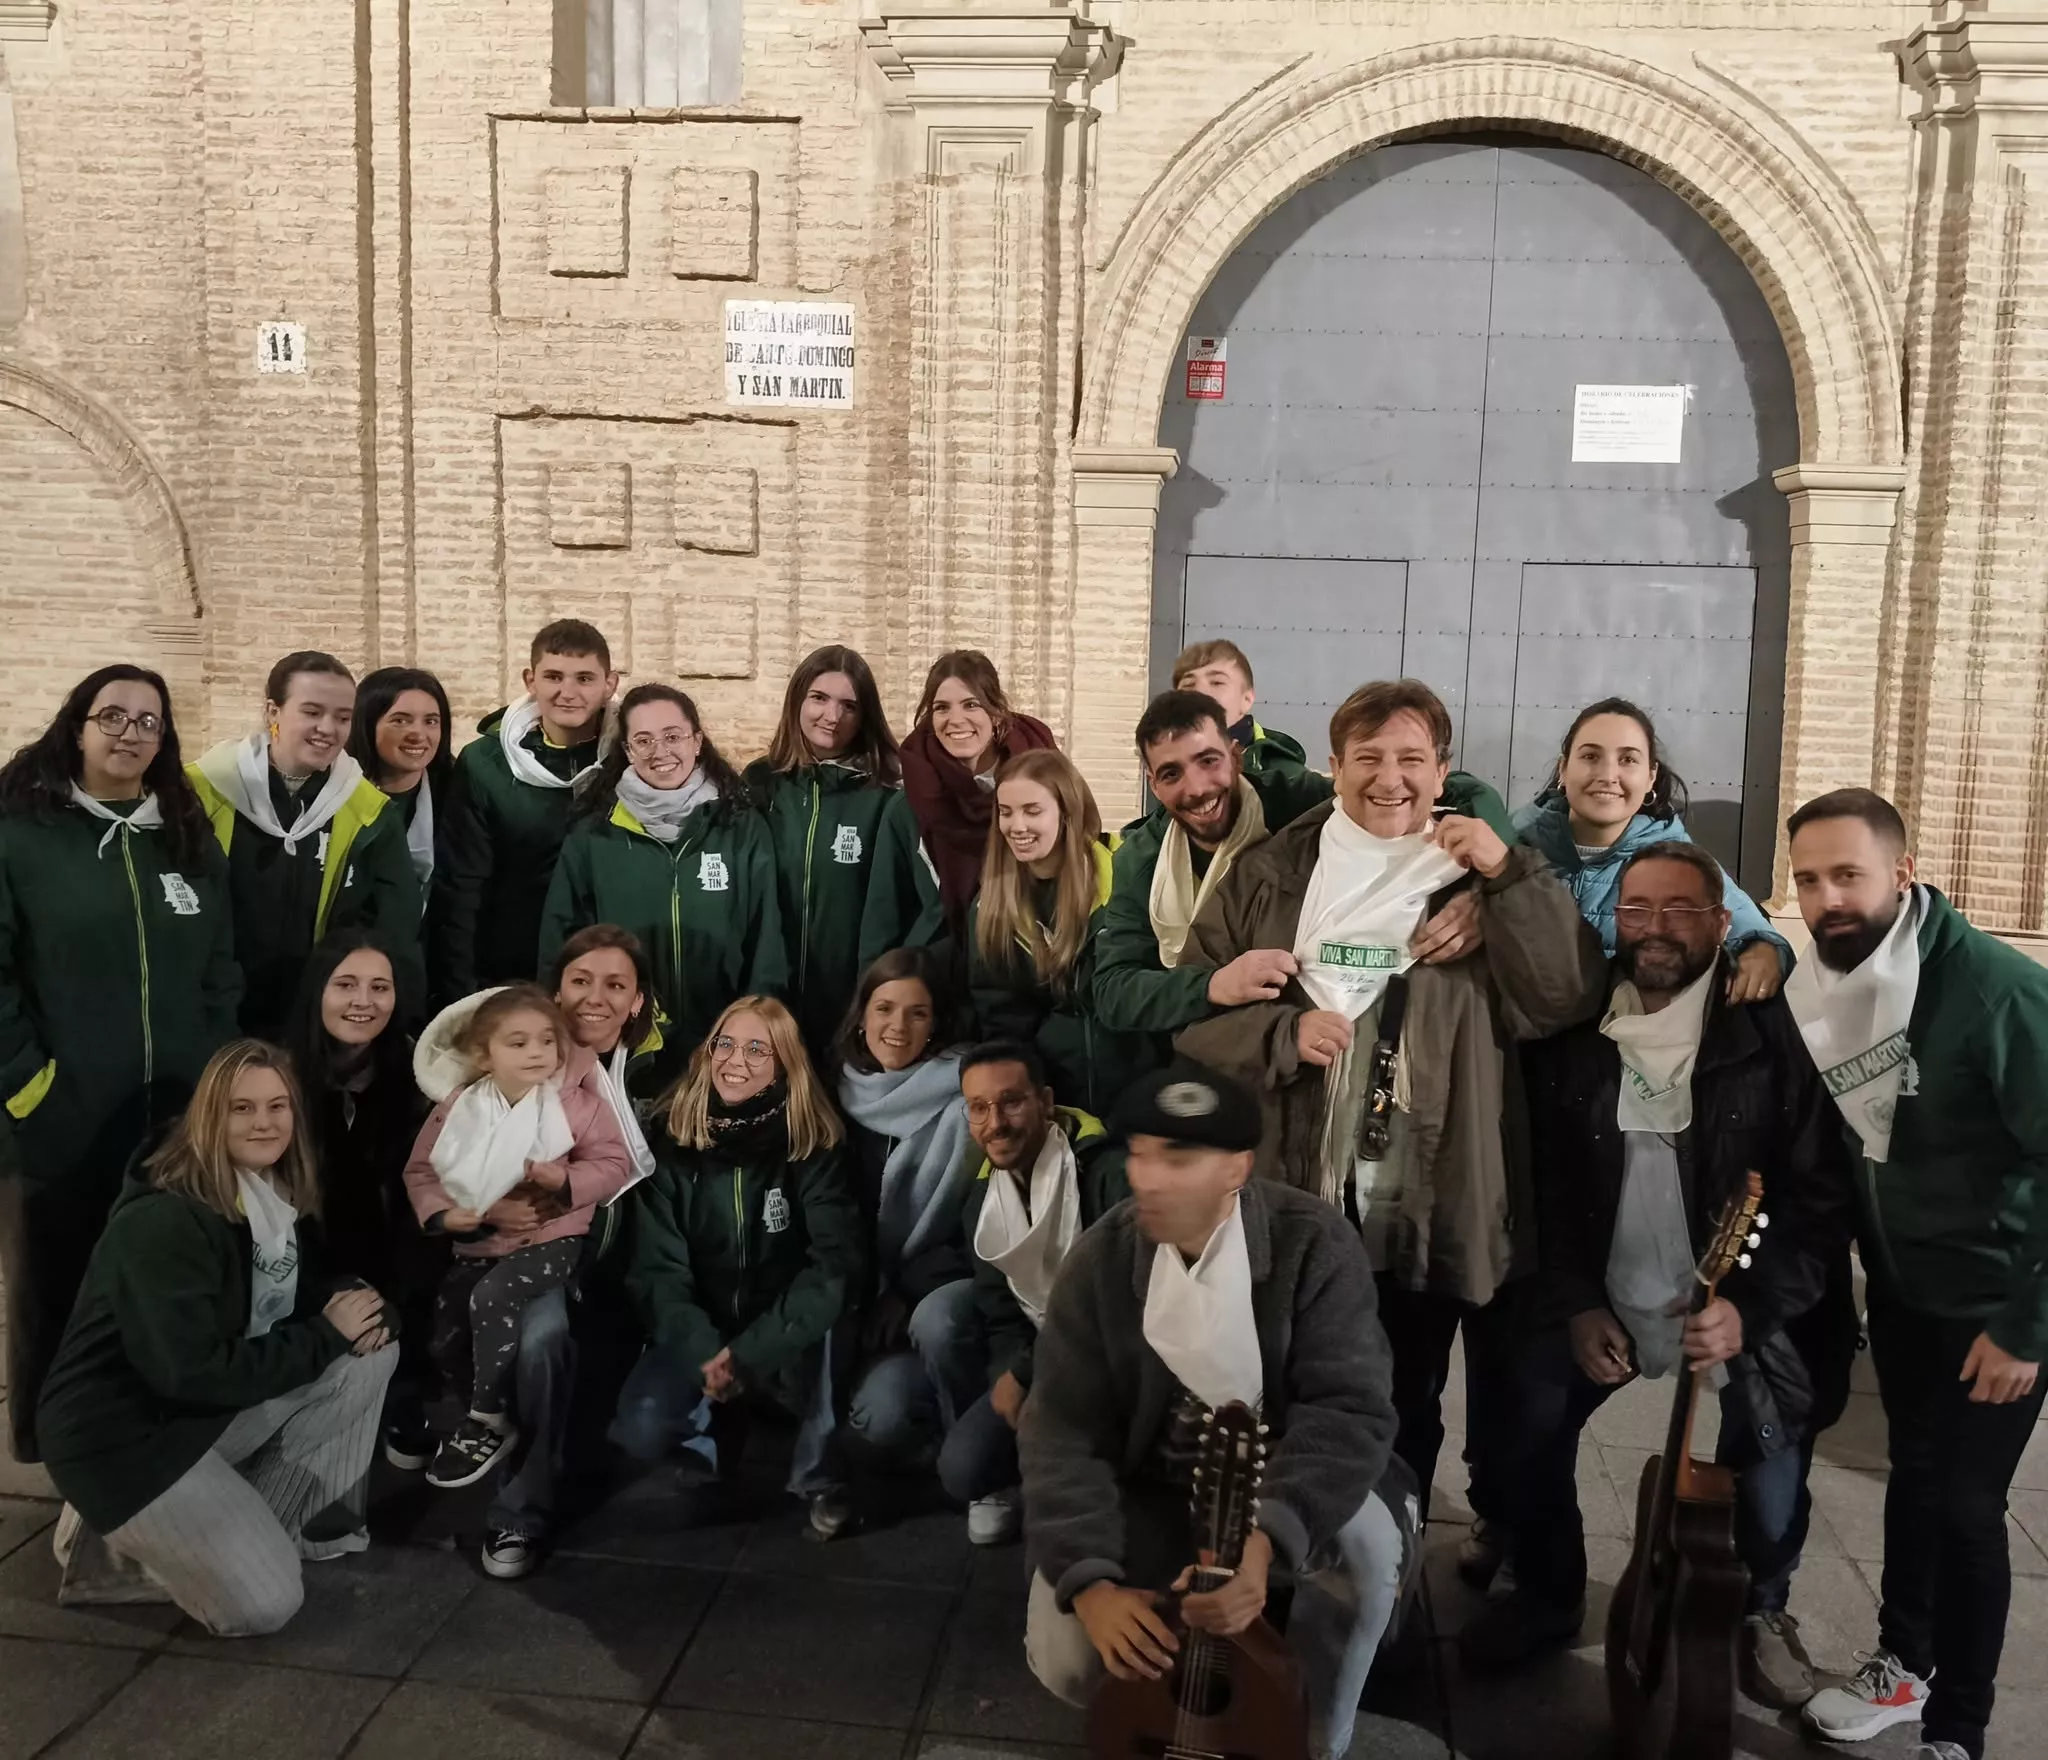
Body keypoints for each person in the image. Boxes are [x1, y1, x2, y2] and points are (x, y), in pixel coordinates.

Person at [1176, 678, 1606, 1523]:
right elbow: (1195, 1018)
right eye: (1367, 757)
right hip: (1298, 1186)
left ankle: (1389, 1561)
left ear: (1443, 771)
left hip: (1425, 1195)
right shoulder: (1270, 873)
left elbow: (1564, 997)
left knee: (1408, 1397)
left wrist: (1504, 881)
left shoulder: (1478, 878)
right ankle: (1285, 1550)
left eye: (1412, 758)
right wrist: (1280, 1035)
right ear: (1334, 767)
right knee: (1289, 1385)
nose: (1390, 778)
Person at [1461, 841, 1857, 1708]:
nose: (1657, 928)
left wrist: (1750, 1310)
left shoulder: (1773, 1032)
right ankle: (1548, 1591)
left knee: (1766, 1476)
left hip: (1737, 1306)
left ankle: (1759, 1611)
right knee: (1519, 1432)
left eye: (1681, 910)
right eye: (1638, 909)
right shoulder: (1575, 1033)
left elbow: (1820, 1201)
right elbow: (1546, 1185)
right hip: (1608, 1291)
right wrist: (1576, 1305)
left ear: (1721, 924)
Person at [1019, 1059, 1412, 1760]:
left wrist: (1269, 1539)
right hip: (1155, 1489)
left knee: (1365, 1557)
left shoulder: (1313, 1244)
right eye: (1141, 1153)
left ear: (1237, 1168)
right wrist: (1089, 1583)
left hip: (1285, 1485)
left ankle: (1312, 1735)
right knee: (1067, 1654)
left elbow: (1348, 1411)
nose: (1148, 1178)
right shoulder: (1101, 1261)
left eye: (1178, 1159)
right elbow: (1061, 1431)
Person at [1784, 789, 2048, 1760]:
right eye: (1807, 880)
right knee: (1915, 1476)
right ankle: (1903, 1661)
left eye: (1847, 874)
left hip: (1994, 1303)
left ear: (1901, 873)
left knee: (1967, 1509)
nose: (1826, 898)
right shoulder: (1841, 975)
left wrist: (2025, 1325)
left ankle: (1957, 1730)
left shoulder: (1996, 991)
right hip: (1901, 1290)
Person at [36, 1041, 397, 1636]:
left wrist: (369, 1312)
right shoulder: (164, 1221)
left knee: (368, 1355)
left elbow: (305, 1297)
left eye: (278, 1106)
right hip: (123, 1438)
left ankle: (230, 1538)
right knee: (265, 1606)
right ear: (208, 1116)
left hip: (192, 1409)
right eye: (242, 1108)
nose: (264, 1123)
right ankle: (108, 1552)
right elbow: (191, 1373)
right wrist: (327, 1333)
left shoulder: (263, 1195)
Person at [0, 664, 241, 1462]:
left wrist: (209, 1067)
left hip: (172, 1109)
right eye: (112, 716)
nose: (130, 733)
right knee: (54, 1279)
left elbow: (220, 966)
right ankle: (45, 1438)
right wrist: (28, 1082)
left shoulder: (184, 834)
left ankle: (136, 1425)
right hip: (61, 1108)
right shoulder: (22, 835)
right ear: (77, 726)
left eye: (148, 721)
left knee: (154, 1275)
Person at [1097, 687, 1488, 1057]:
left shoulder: (1294, 801)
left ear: (1236, 756)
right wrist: (1212, 985)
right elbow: (1113, 990)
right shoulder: (1141, 859)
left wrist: (1481, 892)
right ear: (1153, 784)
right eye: (1171, 774)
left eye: (1208, 761)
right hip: (1199, 1049)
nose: (1197, 787)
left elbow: (1430, 795)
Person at [611, 997, 866, 1541]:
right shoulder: (670, 1145)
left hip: (783, 1333)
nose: (735, 1060)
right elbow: (658, 1272)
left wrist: (752, 1352)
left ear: (785, 1065)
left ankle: (819, 1477)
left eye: (757, 1049)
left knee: (835, 1317)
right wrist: (707, 1354)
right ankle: (714, 1445)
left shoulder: (812, 1145)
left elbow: (833, 1265)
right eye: (724, 1044)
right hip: (708, 1331)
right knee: (641, 1427)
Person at [402, 984, 633, 1579]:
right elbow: (423, 1171)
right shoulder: (459, 1106)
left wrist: (563, 1181)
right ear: (485, 1054)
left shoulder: (575, 1105)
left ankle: (490, 1427)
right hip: (478, 1246)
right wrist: (455, 1215)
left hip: (549, 1246)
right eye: (518, 1043)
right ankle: (486, 1415)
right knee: (447, 1332)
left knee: (517, 1320)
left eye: (546, 1042)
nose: (536, 1053)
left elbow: (614, 1161)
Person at [539, 683, 786, 1073]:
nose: (660, 751)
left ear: (697, 741)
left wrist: (754, 1033)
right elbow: (560, 941)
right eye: (644, 740)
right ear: (627, 751)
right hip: (621, 1049)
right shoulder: (594, 836)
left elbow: (766, 939)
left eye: (673, 737)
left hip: (722, 1048)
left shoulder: (740, 827)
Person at [942, 1040, 1127, 1546]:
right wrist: (1013, 1384)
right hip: (1046, 1361)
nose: (995, 1123)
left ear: (1045, 1102)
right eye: (979, 1108)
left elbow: (1118, 1304)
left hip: (1119, 1361)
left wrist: (1026, 1373)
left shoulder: (1106, 1175)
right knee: (962, 1468)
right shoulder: (983, 1204)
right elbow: (1002, 1317)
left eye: (1011, 1102)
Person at [188, 650, 422, 1039]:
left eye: (342, 717)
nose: (327, 728)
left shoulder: (368, 810)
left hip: (318, 1021)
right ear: (273, 712)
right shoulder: (201, 792)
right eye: (312, 712)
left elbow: (394, 926)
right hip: (210, 1009)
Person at [1513, 697, 1792, 996]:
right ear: (1564, 769)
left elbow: (1755, 933)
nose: (1607, 776)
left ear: (1650, 777)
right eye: (1591, 756)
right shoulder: (1511, 845)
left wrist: (1764, 952)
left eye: (1628, 760)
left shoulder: (1678, 860)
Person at [283, 931, 437, 1467]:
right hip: (303, 1262)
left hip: (392, 1261)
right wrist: (326, 1288)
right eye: (345, 985)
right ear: (318, 991)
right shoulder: (279, 1078)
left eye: (379, 987)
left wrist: (391, 1299)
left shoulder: (418, 1076)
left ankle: (403, 1393)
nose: (363, 1001)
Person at [744, 645, 942, 1053]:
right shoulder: (761, 782)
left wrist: (885, 989)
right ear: (797, 700)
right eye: (819, 698)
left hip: (854, 1006)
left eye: (849, 706)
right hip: (768, 1002)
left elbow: (917, 904)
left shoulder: (889, 794)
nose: (832, 716)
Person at [833, 948, 983, 1477]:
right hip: (862, 1297)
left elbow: (980, 1223)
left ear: (935, 1023)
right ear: (861, 1016)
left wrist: (908, 1289)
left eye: (917, 1013)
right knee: (872, 1415)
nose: (898, 1026)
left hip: (937, 1294)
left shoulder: (968, 1097)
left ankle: (974, 1455)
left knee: (929, 1337)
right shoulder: (832, 1094)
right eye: (884, 1008)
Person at [431, 620, 618, 1003]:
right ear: (530, 680)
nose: (568, 692)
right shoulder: (486, 764)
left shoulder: (630, 758)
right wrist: (460, 992)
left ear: (609, 684)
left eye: (584, 678)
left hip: (606, 970)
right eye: (553, 677)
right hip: (510, 970)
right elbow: (462, 886)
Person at [968, 748, 1149, 1115]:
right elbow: (1002, 1024)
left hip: (1139, 1090)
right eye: (1006, 812)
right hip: (1054, 1104)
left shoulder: (1125, 880)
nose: (1016, 826)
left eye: (1032, 810)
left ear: (1067, 813)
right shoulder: (991, 908)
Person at [900, 650, 1058, 928]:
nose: (956, 719)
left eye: (971, 705)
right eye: (942, 708)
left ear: (996, 713)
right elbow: (887, 906)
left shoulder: (1045, 777)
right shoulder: (912, 796)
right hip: (939, 946)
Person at [347, 666, 454, 910]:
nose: (418, 734)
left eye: (431, 721)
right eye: (400, 721)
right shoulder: (336, 795)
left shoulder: (457, 793)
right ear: (366, 724)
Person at [1170, 638, 1318, 794]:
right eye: (1188, 685)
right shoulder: (1164, 767)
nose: (1200, 691)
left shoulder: (1289, 782)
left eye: (1217, 683)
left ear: (1247, 700)